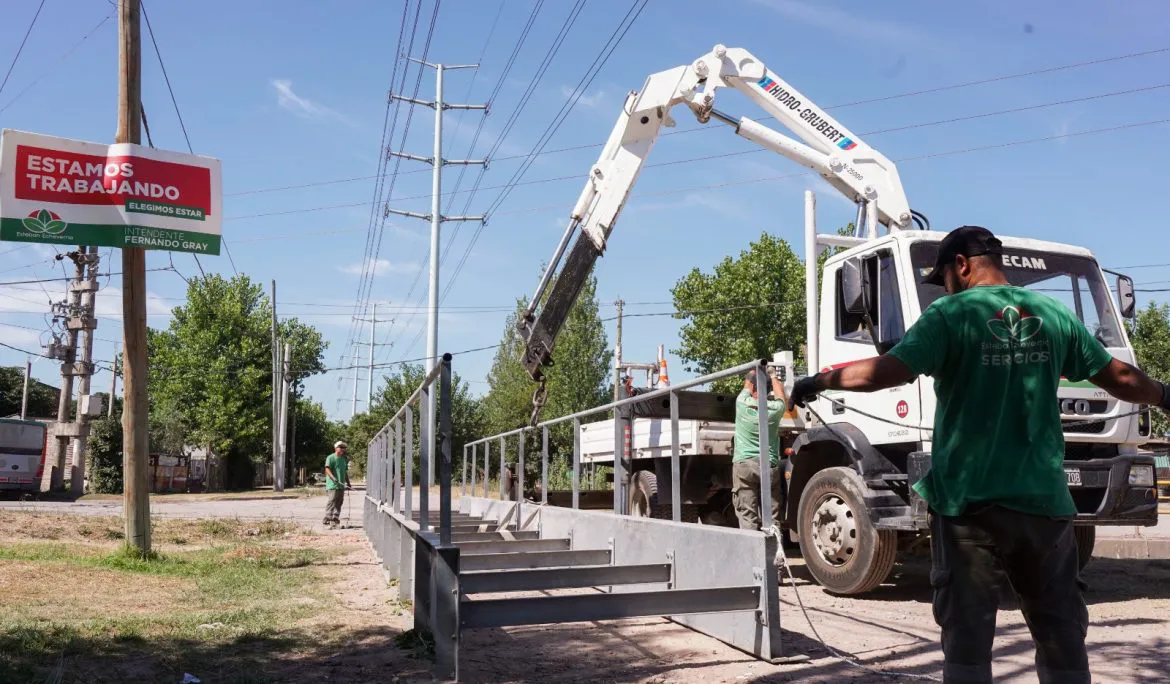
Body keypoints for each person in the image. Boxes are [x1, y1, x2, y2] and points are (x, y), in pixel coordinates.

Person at [788, 225, 1170, 684]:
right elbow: (1120, 378)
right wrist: (1165, 395)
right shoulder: (1053, 314)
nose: (943, 288)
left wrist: (820, 381)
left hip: (969, 504)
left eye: (943, 278)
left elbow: (888, 371)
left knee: (967, 644)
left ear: (963, 266)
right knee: (1061, 635)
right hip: (1043, 505)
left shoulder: (949, 316)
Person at [732, 368, 787, 531]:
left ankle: (751, 554)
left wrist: (753, 371)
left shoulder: (741, 402)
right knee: (772, 516)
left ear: (753, 389)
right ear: (767, 391)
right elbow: (781, 397)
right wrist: (772, 375)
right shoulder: (775, 409)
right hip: (768, 466)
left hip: (744, 465)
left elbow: (747, 384)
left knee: (747, 514)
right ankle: (774, 552)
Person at [323, 441, 351, 529]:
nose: (342, 449)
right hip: (332, 484)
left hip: (341, 485)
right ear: (336, 448)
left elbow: (345, 472)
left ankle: (335, 518)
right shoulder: (330, 457)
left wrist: (348, 482)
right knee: (332, 501)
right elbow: (327, 469)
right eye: (340, 447)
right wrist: (333, 478)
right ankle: (327, 518)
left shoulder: (344, 459)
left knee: (339, 502)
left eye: (344, 448)